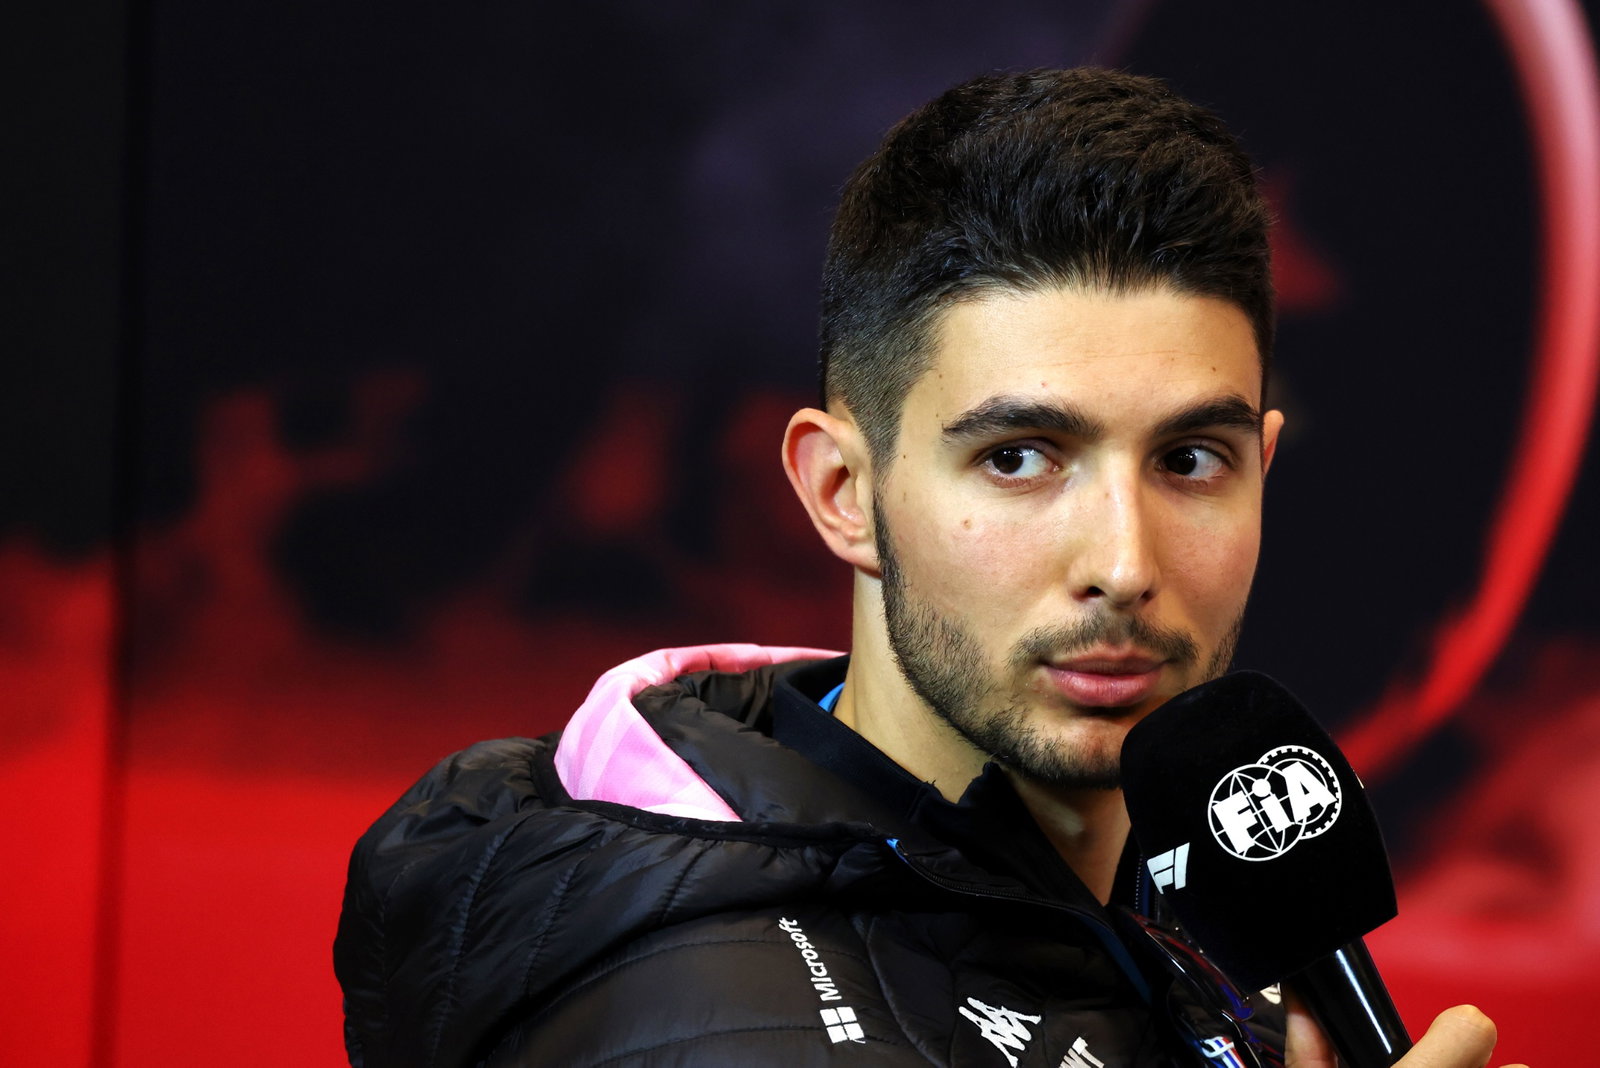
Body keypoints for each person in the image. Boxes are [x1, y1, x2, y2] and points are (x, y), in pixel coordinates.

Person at [335, 68, 1521, 1067]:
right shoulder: (725, 1027)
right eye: (1018, 458)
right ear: (842, 493)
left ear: (1263, 467)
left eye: (1189, 460)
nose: (1124, 562)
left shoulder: (1191, 908)